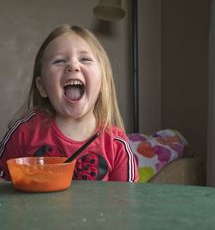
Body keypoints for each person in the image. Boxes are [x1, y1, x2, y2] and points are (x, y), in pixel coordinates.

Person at [0, 24, 138, 182]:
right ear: (42, 87)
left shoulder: (117, 145)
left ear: (102, 83)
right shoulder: (24, 132)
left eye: (85, 59)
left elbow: (127, 201)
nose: (73, 66)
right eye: (59, 61)